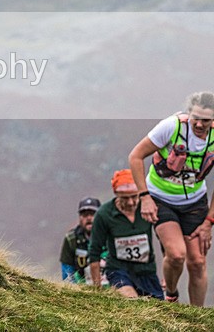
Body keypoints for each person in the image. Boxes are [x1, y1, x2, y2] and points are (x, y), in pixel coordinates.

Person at [128, 91, 214, 305]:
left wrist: (209, 222)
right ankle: (171, 294)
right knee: (176, 255)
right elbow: (136, 156)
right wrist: (144, 197)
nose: (200, 125)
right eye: (196, 118)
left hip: (195, 203)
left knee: (197, 262)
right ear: (189, 114)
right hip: (160, 198)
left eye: (206, 120)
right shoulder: (171, 127)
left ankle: (197, 317)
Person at [88, 169, 164, 300]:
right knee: (131, 302)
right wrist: (97, 289)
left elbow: (165, 240)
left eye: (134, 196)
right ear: (116, 194)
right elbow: (94, 252)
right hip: (118, 270)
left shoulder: (150, 207)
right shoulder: (104, 214)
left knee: (159, 312)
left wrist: (168, 274)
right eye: (124, 198)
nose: (130, 202)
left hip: (146, 271)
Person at [60, 197, 100, 284]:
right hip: (83, 287)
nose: (89, 218)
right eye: (85, 215)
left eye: (93, 214)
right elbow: (67, 273)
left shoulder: (110, 236)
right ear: (80, 217)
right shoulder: (71, 239)